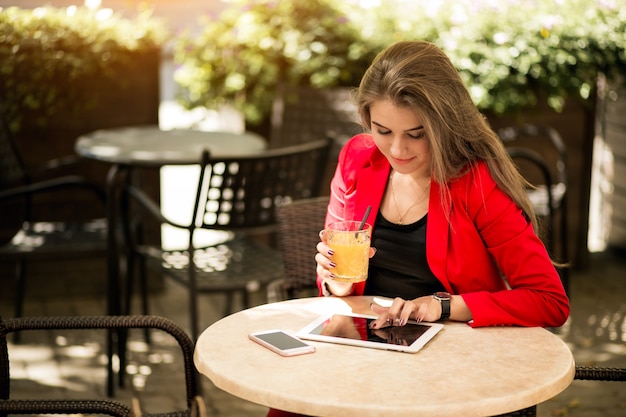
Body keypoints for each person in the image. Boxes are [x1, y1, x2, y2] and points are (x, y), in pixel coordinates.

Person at [267, 40, 569, 417]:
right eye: (382, 130)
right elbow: (338, 280)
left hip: (447, 367)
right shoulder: (358, 159)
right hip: (364, 347)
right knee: (290, 404)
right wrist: (335, 280)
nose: (396, 150)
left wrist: (441, 306)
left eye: (416, 134)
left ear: (444, 125)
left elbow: (549, 301)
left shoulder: (475, 183)